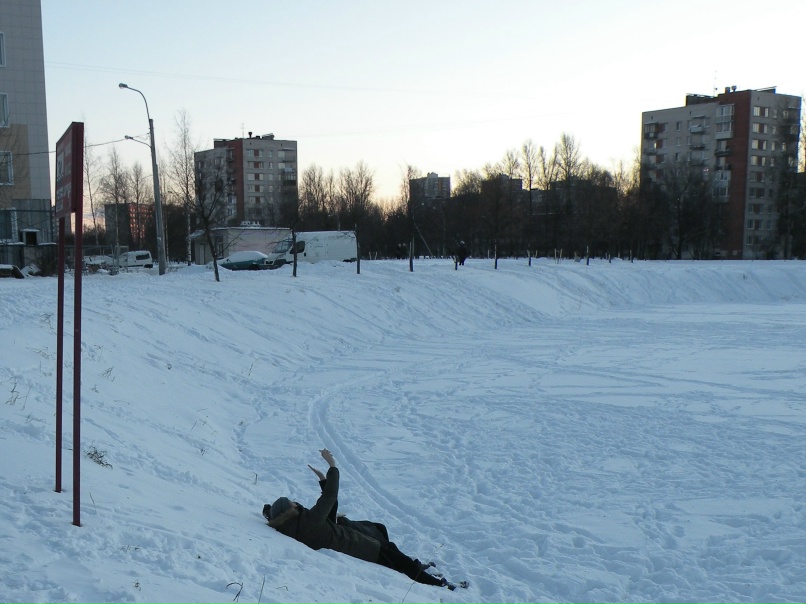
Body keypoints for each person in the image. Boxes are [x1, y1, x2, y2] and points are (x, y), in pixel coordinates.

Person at [264, 449, 466, 590]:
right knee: (401, 562)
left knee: (392, 549)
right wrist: (331, 466)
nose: (294, 502)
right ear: (288, 510)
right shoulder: (307, 521)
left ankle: (419, 568)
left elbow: (328, 514)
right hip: (361, 547)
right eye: (291, 503)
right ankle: (439, 585)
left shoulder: (293, 526)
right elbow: (330, 497)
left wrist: (323, 481)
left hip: (354, 542)